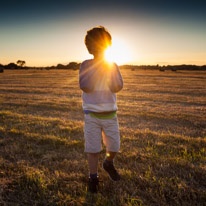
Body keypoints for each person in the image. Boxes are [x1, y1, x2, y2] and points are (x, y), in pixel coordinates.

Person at [79, 26, 123, 193]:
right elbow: (86, 87)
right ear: (90, 48)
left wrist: (108, 71)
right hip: (91, 115)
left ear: (107, 46)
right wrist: (96, 70)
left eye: (101, 45)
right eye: (94, 45)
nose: (98, 48)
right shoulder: (85, 65)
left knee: (114, 146)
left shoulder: (113, 65)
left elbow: (117, 87)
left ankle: (108, 163)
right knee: (93, 148)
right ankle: (93, 177)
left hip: (110, 115)